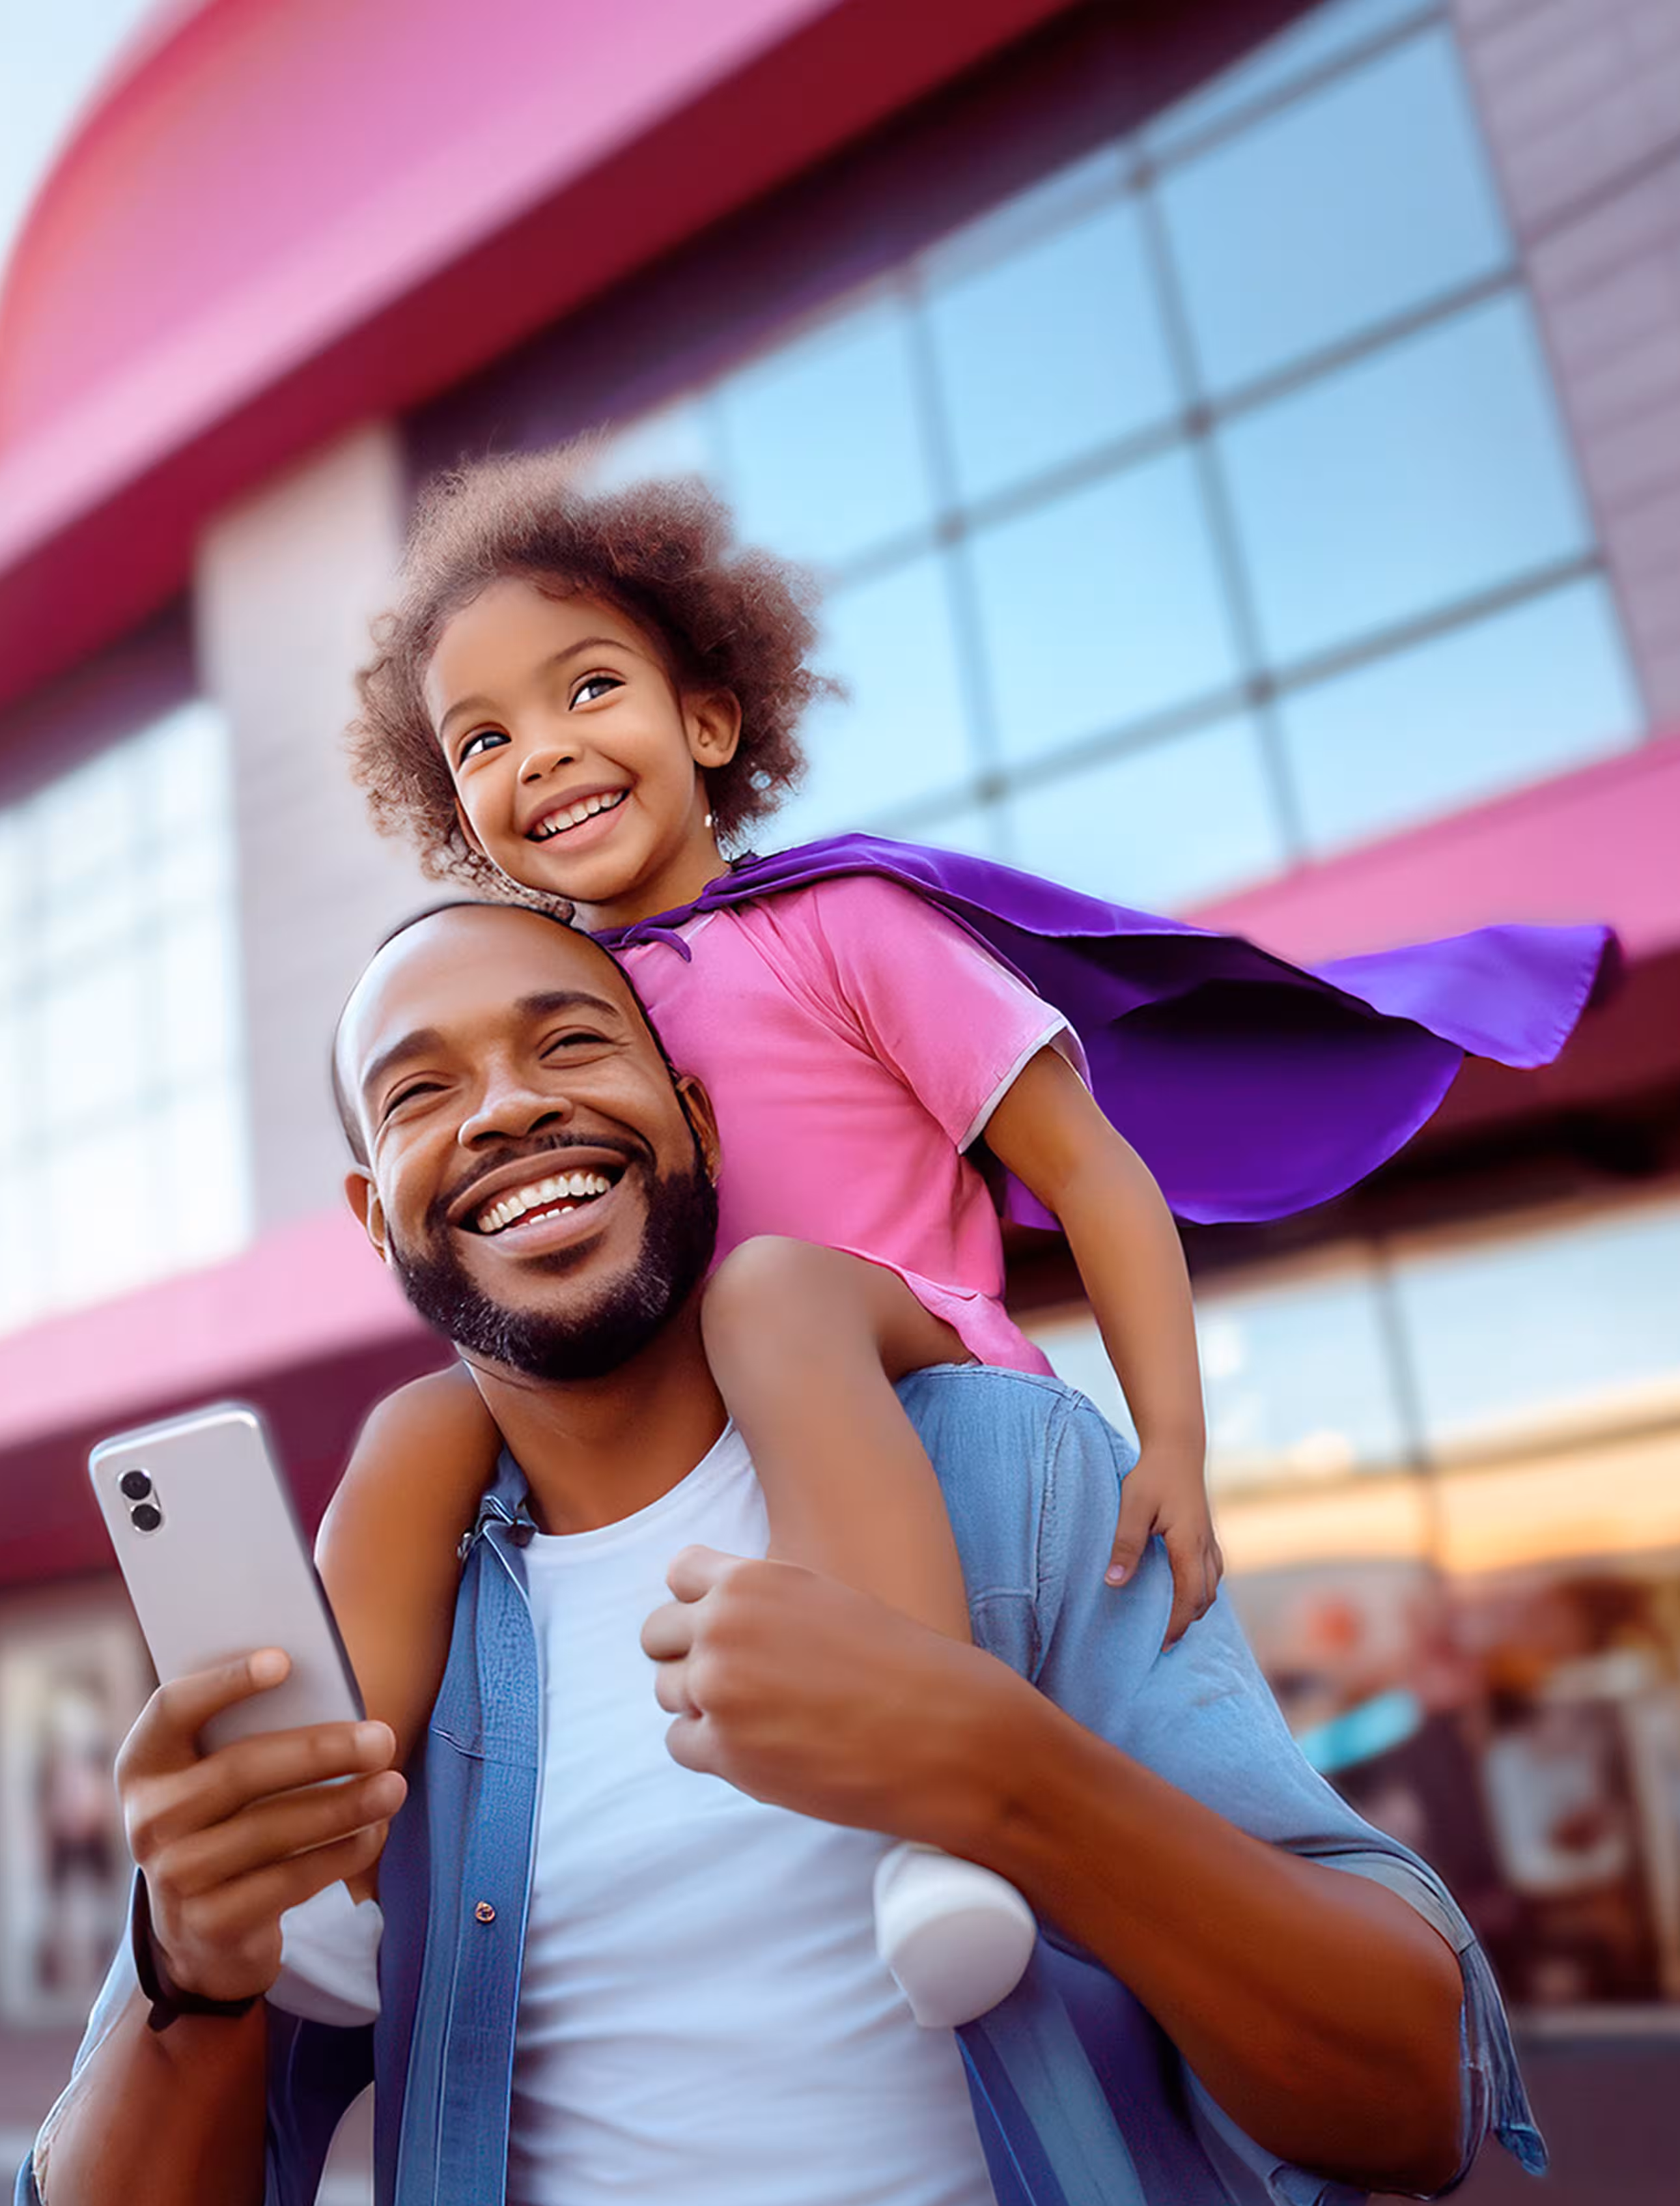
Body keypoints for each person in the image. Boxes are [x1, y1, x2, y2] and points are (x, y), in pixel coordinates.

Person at [19, 898, 1545, 2206]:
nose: (508, 1106)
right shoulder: (370, 1659)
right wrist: (191, 1967)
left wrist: (1009, 1779)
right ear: (369, 1214)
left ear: (696, 1118)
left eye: (569, 1041)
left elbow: (1413, 2090)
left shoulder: (1011, 1486)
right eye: (419, 1092)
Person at [318, 450, 1614, 2028]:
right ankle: (327, 1873)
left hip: (918, 1356)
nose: (546, 753)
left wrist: (1175, 1449)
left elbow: (1096, 1170)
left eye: (590, 688)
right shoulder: (572, 1015)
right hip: (731, 1427)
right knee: (423, 1425)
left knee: (775, 1295)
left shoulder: (849, 928)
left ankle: (934, 1834)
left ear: (708, 724)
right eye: (485, 738)